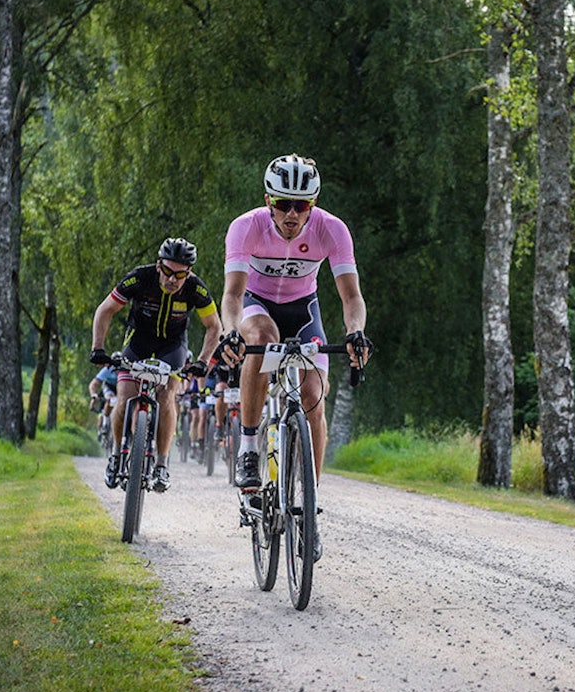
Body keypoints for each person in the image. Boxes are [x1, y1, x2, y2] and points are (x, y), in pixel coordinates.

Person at [219, 155, 371, 520]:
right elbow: (233, 295)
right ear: (268, 200)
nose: (291, 214)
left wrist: (356, 333)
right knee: (264, 335)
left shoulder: (332, 229)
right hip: (256, 305)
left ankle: (309, 501)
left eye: (300, 205)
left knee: (314, 398)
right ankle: (250, 448)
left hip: (304, 311)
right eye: (282, 204)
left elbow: (351, 297)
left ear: (312, 204)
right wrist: (229, 333)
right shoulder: (246, 227)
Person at [90, 237, 222, 493]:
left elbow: (214, 326)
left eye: (180, 274)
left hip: (172, 347)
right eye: (167, 271)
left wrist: (203, 362)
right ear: (158, 265)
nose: (172, 279)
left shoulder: (195, 289)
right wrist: (98, 348)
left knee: (166, 396)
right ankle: (117, 454)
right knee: (125, 394)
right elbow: (105, 310)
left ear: (189, 272)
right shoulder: (140, 278)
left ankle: (161, 463)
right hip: (138, 341)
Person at [88, 363, 119, 439]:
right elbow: (93, 384)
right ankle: (105, 424)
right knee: (109, 399)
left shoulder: (125, 370)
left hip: (120, 387)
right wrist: (93, 395)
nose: (117, 368)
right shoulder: (106, 370)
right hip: (108, 388)